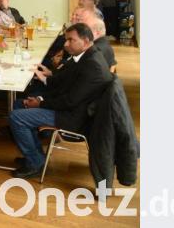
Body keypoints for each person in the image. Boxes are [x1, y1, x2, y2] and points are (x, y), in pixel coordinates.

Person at [8, 24, 114, 179]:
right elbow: (65, 88)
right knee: (19, 104)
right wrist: (40, 98)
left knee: (16, 117)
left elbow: (69, 101)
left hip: (74, 117)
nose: (65, 44)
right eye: (66, 39)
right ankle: (36, 157)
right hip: (71, 108)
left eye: (71, 40)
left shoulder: (92, 66)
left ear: (85, 41)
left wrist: (40, 102)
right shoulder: (85, 56)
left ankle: (35, 163)